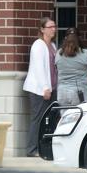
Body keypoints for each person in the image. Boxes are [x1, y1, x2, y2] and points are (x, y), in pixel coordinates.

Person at [22, 17, 58, 156]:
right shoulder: (38, 45)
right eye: (50, 27)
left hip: (52, 88)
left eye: (54, 26)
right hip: (39, 90)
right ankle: (32, 149)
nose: (53, 29)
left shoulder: (53, 46)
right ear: (42, 29)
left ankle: (44, 149)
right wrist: (45, 88)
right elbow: (39, 68)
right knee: (37, 119)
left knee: (49, 120)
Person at [55, 28, 87, 105]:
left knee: (65, 116)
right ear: (79, 38)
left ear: (65, 38)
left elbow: (57, 70)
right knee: (82, 115)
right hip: (80, 91)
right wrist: (84, 80)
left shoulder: (58, 53)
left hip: (62, 92)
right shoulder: (85, 54)